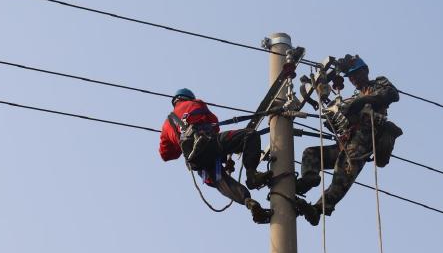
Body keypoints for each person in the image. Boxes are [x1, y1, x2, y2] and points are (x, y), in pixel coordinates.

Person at [297, 55, 402, 223]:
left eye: (356, 74)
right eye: (351, 77)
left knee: (342, 174)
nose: (354, 79)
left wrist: (360, 102)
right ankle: (309, 178)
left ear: (365, 70)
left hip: (364, 140)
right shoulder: (352, 98)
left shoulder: (378, 84)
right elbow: (340, 124)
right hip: (346, 140)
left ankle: (318, 209)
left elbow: (392, 94)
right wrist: (334, 119)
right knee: (312, 153)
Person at [159, 88, 273, 223]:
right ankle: (252, 175)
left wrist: (178, 139)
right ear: (188, 98)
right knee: (250, 135)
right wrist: (224, 152)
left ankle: (248, 202)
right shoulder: (196, 103)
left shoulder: (166, 125)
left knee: (220, 180)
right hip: (209, 144)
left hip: (196, 160)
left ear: (175, 101)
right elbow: (214, 124)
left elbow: (166, 155)